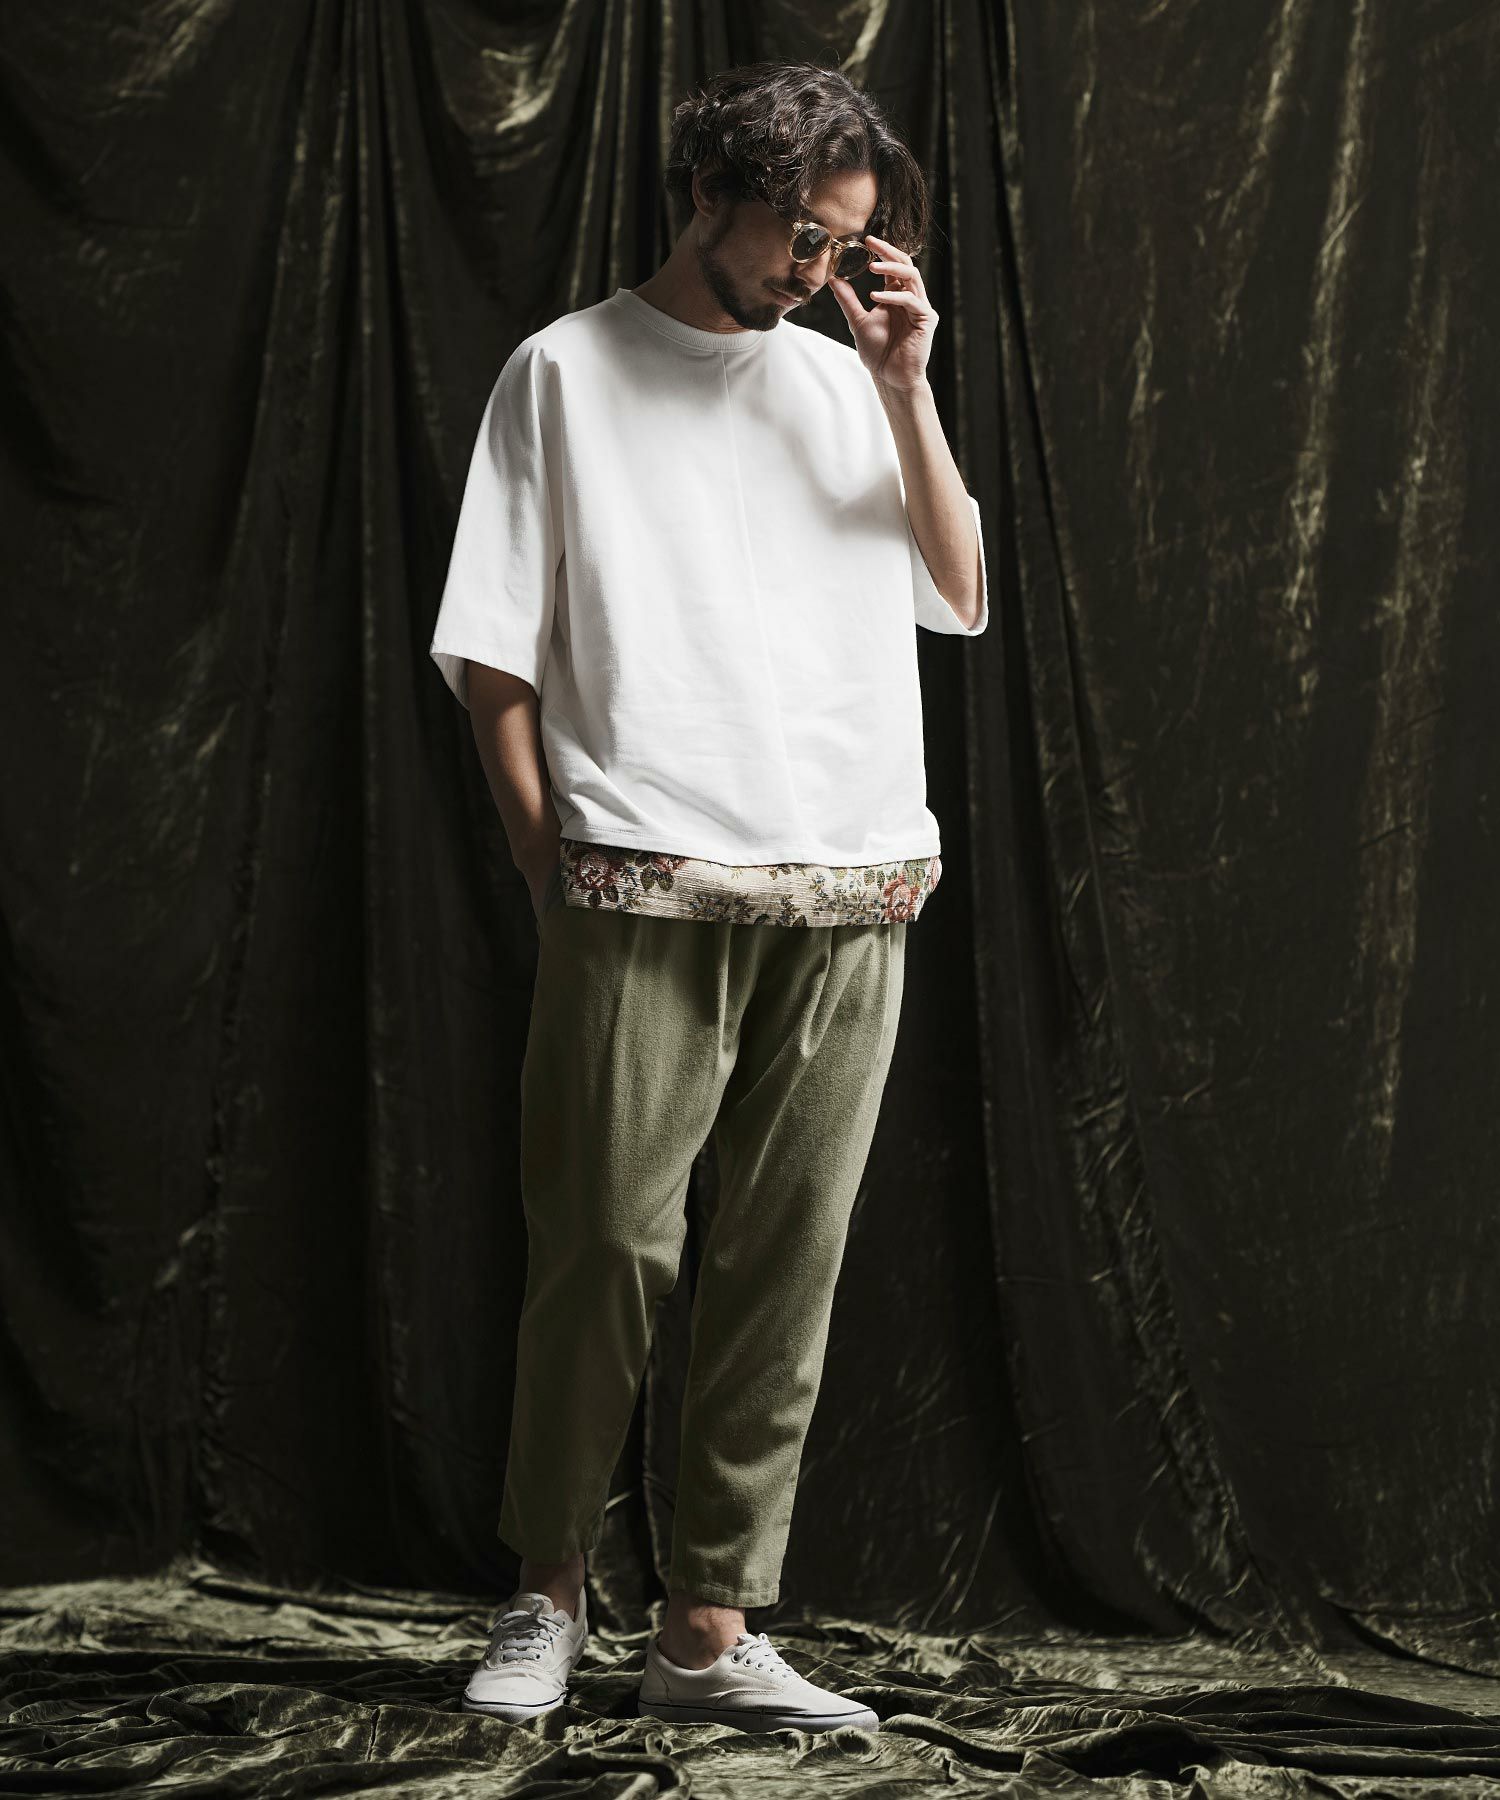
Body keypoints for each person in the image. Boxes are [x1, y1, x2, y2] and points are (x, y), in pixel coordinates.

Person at [430, 59, 988, 1734]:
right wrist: (547, 857)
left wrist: (905, 387)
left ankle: (706, 1629)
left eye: (845, 243)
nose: (817, 269)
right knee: (602, 1245)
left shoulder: (850, 380)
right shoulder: (565, 371)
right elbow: (491, 651)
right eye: (797, 235)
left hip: (852, 875)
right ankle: (546, 1593)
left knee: (784, 1260)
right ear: (709, 194)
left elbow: (960, 589)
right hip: (641, 878)